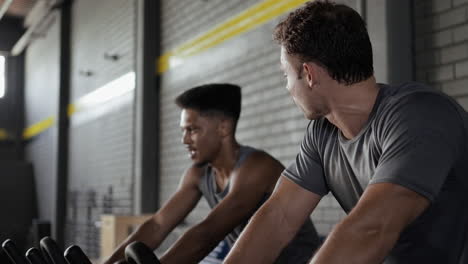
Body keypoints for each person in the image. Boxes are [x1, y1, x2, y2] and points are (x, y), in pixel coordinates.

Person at [223, 1, 468, 263]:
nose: (287, 88)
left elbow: (371, 229)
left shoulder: (420, 115)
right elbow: (278, 216)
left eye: (286, 75)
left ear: (308, 75)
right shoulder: (322, 134)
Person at [102, 83, 321, 264]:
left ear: (223, 128)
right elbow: (158, 224)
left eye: (192, 130)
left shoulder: (256, 167)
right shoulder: (198, 175)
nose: (184, 140)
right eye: (183, 131)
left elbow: (209, 232)